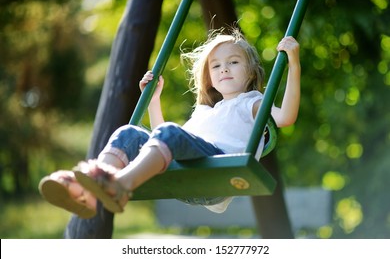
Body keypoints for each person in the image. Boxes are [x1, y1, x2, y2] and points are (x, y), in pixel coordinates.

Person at [39, 28, 301, 218]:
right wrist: (153, 101)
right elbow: (163, 144)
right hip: (185, 178)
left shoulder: (253, 102)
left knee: (169, 133)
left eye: (233, 62)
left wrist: (293, 63)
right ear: (209, 77)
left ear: (251, 71)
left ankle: (120, 186)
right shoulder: (205, 112)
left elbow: (286, 118)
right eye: (216, 66)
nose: (224, 69)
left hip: (217, 176)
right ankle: (96, 184)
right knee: (129, 133)